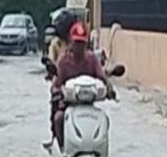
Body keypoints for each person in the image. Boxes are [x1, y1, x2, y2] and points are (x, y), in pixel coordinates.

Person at [43, 20, 114, 150]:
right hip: (67, 104)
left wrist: (109, 88)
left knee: (105, 119)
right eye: (77, 43)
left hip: (88, 104)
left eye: (82, 43)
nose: (79, 47)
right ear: (70, 42)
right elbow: (56, 83)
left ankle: (101, 150)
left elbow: (102, 76)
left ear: (86, 44)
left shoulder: (92, 59)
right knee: (58, 119)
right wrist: (58, 90)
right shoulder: (63, 61)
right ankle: (62, 149)